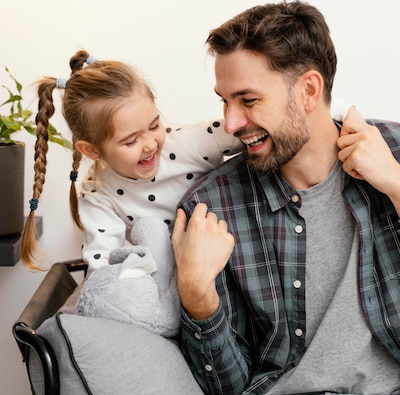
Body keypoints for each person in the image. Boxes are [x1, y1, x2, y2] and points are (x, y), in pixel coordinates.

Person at [171, 2, 400, 395]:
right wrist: (197, 297)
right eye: (225, 101)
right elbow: (228, 392)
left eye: (249, 100)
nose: (232, 122)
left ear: (309, 89)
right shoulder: (211, 205)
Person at [20, 50, 354, 336]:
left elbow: (262, 129)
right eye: (130, 140)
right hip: (165, 287)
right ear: (91, 149)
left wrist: (339, 114)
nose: (150, 143)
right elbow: (103, 269)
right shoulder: (98, 195)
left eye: (153, 125)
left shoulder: (187, 143)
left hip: (225, 266)